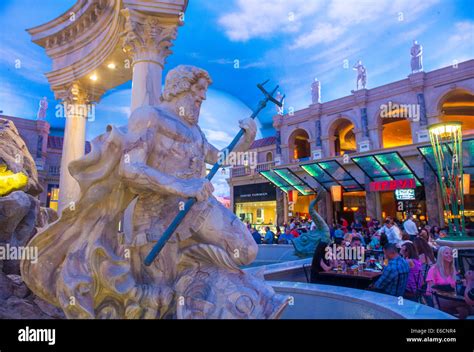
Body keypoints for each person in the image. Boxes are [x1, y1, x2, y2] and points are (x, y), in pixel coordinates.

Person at [426, 246, 472, 318]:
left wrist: (464, 283)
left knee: (464, 310)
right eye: (446, 253)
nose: (449, 255)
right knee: (466, 303)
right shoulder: (434, 269)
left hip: (452, 296)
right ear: (441, 255)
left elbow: (456, 287)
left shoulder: (453, 269)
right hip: (439, 297)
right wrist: (436, 305)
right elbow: (431, 290)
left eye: (451, 253)